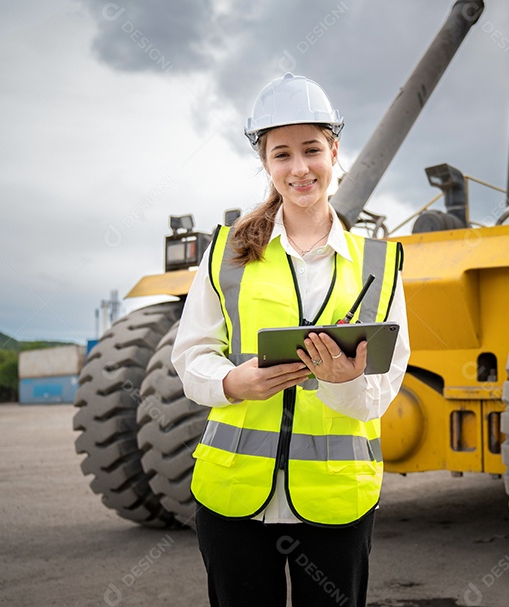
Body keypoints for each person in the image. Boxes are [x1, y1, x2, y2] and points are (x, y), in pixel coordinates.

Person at [171, 73, 410, 607]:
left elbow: (384, 385)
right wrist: (234, 382)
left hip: (336, 503)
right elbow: (189, 358)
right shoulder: (226, 253)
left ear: (334, 151)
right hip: (233, 500)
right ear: (265, 163)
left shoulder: (380, 264)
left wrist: (343, 384)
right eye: (282, 154)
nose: (299, 168)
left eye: (311, 150)